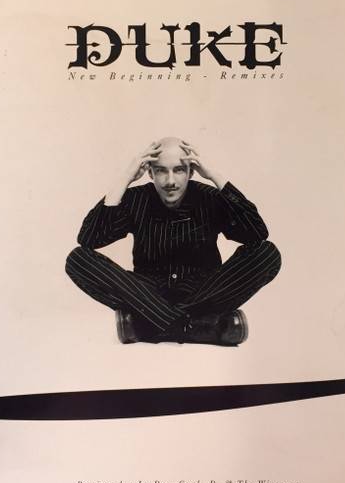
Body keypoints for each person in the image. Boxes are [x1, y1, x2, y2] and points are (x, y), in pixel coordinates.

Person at [65, 137, 281, 345]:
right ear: (150, 172)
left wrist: (215, 176)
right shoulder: (136, 198)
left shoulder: (210, 197)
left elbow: (257, 234)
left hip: (203, 292)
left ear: (191, 172)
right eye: (161, 171)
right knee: (77, 259)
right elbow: (89, 240)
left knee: (267, 253)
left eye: (179, 170)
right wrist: (125, 178)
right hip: (147, 294)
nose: (170, 181)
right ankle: (202, 327)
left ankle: (148, 325)